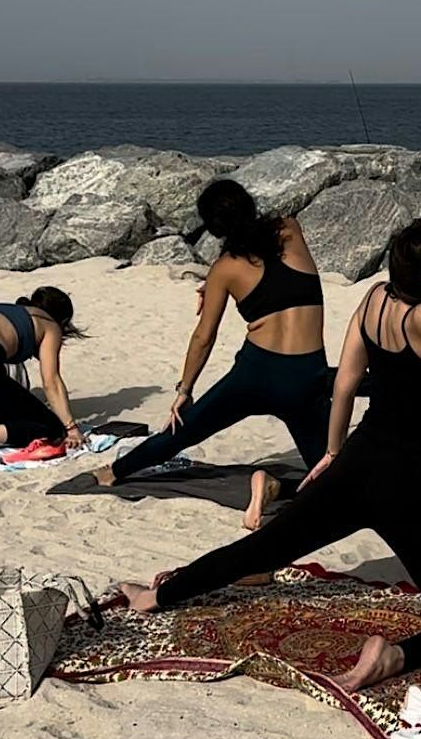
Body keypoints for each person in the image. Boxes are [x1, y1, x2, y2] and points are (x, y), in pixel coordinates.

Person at [119, 145, 421, 692]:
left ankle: (156, 596)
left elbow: (344, 383)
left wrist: (330, 453)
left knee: (260, 550)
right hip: (413, 488)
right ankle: (392, 657)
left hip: (357, 463)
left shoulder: (374, 301)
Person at [96, 180, 330, 526]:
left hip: (256, 374)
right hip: (306, 377)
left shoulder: (225, 268)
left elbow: (204, 337)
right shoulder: (289, 229)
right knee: (330, 475)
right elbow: (275, 271)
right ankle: (275, 488)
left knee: (184, 431)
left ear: (213, 228)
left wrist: (184, 390)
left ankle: (113, 471)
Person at [0, 287, 88, 455]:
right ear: (63, 319)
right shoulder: (50, 325)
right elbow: (51, 382)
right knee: (51, 430)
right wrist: (70, 427)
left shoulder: (0, 309)